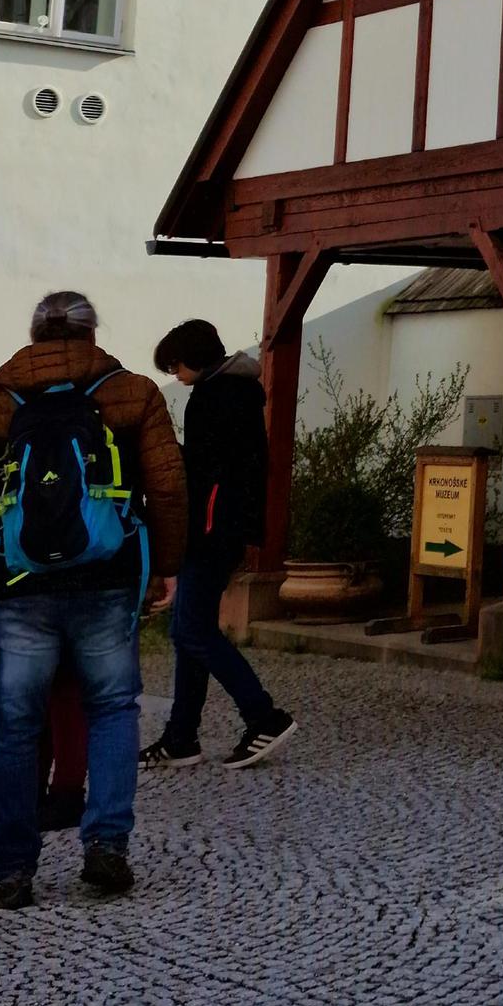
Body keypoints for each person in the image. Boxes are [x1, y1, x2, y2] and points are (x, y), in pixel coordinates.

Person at [0, 290, 184, 907]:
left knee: (15, 726)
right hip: (106, 577)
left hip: (20, 585)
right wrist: (165, 569)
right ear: (90, 331)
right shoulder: (132, 393)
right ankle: (105, 847)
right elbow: (169, 486)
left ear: (35, 333)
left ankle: (11, 872)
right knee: (112, 709)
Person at [144, 320, 295, 771]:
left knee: (192, 630)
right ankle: (180, 737)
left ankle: (263, 716)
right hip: (223, 528)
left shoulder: (215, 397)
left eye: (174, 364)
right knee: (187, 631)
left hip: (211, 530)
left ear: (193, 357)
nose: (174, 374)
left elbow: (209, 471)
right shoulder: (236, 390)